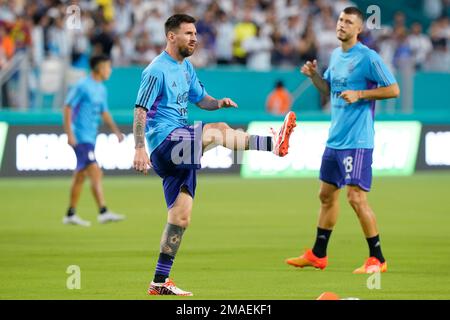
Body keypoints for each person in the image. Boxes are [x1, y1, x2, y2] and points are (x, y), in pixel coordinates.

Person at [132, 14, 297, 296]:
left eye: (195, 33)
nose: (194, 38)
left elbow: (201, 99)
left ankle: (159, 281)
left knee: (180, 218)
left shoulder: (186, 69)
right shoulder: (156, 70)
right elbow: (140, 110)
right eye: (188, 33)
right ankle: (273, 144)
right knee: (217, 131)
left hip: (181, 146)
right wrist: (138, 148)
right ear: (171, 36)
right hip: (164, 142)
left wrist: (218, 102)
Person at [285, 7, 400, 274]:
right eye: (340, 20)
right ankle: (318, 255)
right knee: (326, 195)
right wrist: (314, 76)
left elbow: (394, 89)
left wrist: (360, 94)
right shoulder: (335, 55)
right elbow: (328, 91)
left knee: (356, 198)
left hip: (357, 140)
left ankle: (378, 259)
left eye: (349, 22)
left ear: (358, 29)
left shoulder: (368, 58)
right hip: (335, 140)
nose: (342, 25)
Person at [62, 54, 125, 227]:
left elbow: (104, 112)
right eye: (108, 67)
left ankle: (70, 214)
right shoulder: (82, 86)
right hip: (80, 136)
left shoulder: (101, 89)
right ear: (99, 68)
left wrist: (116, 131)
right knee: (95, 171)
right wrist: (69, 134)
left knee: (80, 176)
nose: (110, 70)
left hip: (91, 136)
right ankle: (103, 211)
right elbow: (67, 107)